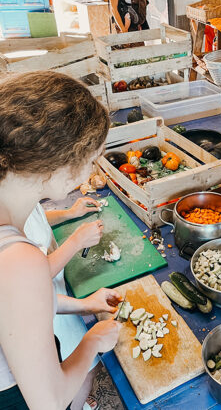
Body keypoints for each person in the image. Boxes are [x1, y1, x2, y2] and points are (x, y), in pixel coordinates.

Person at [0, 71, 122, 410]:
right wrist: (92, 341)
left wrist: (83, 305)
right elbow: (48, 402)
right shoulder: (19, 260)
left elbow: (13, 308)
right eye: (91, 160)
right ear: (61, 166)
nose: (91, 171)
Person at [24, 198, 106, 410]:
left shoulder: (14, 198)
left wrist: (69, 213)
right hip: (43, 308)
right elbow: (31, 278)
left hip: (54, 297)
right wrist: (77, 241)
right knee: (85, 369)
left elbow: (35, 220)